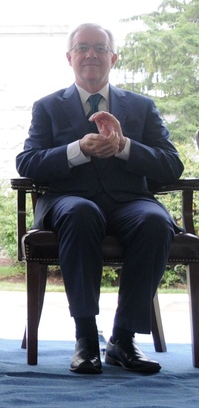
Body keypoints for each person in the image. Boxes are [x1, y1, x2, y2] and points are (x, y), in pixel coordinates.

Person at [17, 22, 184, 375]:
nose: (91, 54)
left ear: (113, 58)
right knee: (81, 212)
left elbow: (171, 166)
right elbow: (28, 163)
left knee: (155, 221)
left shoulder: (141, 107)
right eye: (82, 48)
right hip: (68, 201)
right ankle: (86, 339)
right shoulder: (47, 107)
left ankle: (123, 340)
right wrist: (78, 149)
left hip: (129, 202)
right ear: (69, 57)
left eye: (99, 48)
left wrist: (124, 147)